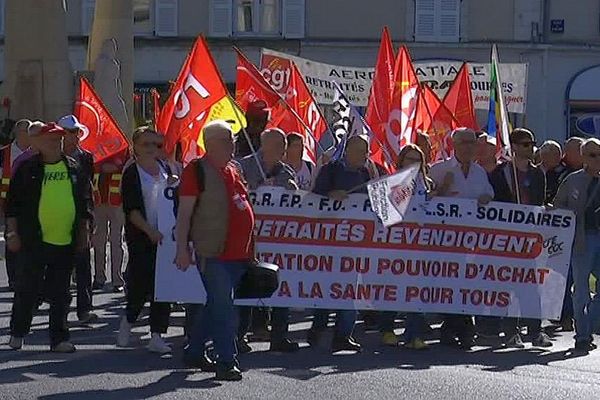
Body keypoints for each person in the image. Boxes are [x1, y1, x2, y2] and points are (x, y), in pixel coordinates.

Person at [176, 120, 255, 381]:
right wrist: (182, 249)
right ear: (211, 144)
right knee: (224, 308)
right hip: (213, 252)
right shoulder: (196, 171)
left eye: (232, 140)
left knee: (215, 305)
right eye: (227, 140)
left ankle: (195, 350)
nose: (232, 145)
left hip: (239, 254)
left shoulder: (234, 170)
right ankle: (226, 360)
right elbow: (185, 214)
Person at [7, 123, 93, 352]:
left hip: (65, 240)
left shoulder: (74, 168)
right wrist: (12, 233)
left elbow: (85, 204)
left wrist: (84, 234)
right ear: (38, 143)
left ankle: (59, 338)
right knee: (27, 288)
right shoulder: (27, 169)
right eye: (50, 139)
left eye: (59, 138)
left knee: (62, 293)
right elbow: (13, 206)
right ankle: (18, 331)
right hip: (34, 240)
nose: (56, 143)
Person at [307, 134, 386, 353]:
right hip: (330, 242)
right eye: (360, 151)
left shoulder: (366, 173)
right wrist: (331, 194)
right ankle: (318, 328)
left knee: (351, 290)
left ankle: (343, 335)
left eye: (366, 151)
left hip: (355, 244)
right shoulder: (330, 170)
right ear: (348, 151)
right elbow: (312, 199)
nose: (365, 155)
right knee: (326, 289)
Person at [488, 128, 553, 348]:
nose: (530, 147)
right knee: (508, 285)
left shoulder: (537, 174)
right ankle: (510, 332)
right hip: (507, 238)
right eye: (525, 144)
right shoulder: (500, 173)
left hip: (530, 238)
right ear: (514, 146)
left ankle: (535, 331)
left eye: (532, 143)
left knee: (531, 286)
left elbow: (539, 202)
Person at [430, 128, 494, 350]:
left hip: (473, 242)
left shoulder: (479, 172)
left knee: (467, 284)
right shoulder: (439, 169)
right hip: (445, 241)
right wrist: (443, 189)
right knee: (449, 285)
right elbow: (424, 202)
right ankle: (459, 328)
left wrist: (487, 198)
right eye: (465, 142)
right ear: (454, 145)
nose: (469, 147)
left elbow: (489, 194)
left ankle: (460, 328)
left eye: (472, 143)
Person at [238, 128, 299, 353]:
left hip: (278, 241)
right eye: (278, 146)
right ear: (264, 146)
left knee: (282, 287)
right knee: (246, 288)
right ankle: (239, 336)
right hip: (250, 239)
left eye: (283, 146)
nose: (282, 150)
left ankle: (279, 337)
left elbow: (296, 203)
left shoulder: (286, 172)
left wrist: (293, 191)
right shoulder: (243, 167)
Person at [116, 127, 172, 354]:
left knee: (164, 287)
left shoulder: (165, 169)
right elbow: (132, 210)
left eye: (155, 144)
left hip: (166, 237)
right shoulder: (132, 173)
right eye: (146, 144)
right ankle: (127, 323)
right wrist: (149, 231)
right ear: (135, 147)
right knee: (141, 284)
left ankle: (157, 334)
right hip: (143, 238)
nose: (151, 149)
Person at [553, 138, 600, 353]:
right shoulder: (573, 180)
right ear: (583, 157)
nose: (597, 159)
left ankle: (590, 323)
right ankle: (582, 334)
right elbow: (558, 205)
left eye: (599, 154)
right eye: (592, 155)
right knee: (580, 288)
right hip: (583, 239)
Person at [58, 115, 98, 324]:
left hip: (80, 217)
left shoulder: (86, 157)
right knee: (60, 267)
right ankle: (59, 309)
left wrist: (90, 220)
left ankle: (84, 309)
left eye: (76, 132)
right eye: (69, 132)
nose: (74, 136)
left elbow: (88, 190)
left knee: (83, 265)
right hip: (57, 218)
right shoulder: (50, 157)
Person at [395, 144, 435, 350]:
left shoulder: (426, 184)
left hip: (421, 244)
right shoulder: (394, 183)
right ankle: (387, 329)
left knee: (417, 290)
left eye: (417, 160)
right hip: (398, 245)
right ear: (401, 161)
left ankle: (414, 335)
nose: (413, 164)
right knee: (394, 290)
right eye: (409, 159)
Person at [0, 119, 31, 290]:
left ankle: (26, 275)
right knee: (11, 237)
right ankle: (13, 278)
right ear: (19, 134)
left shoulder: (36, 154)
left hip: (29, 204)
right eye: (28, 132)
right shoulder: (4, 154)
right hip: (8, 204)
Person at [92, 155, 126, 292]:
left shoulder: (123, 150)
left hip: (117, 202)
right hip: (98, 201)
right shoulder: (95, 149)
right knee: (98, 242)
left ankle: (117, 280)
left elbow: (128, 169)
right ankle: (99, 278)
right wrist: (100, 167)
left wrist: (117, 167)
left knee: (116, 242)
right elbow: (90, 168)